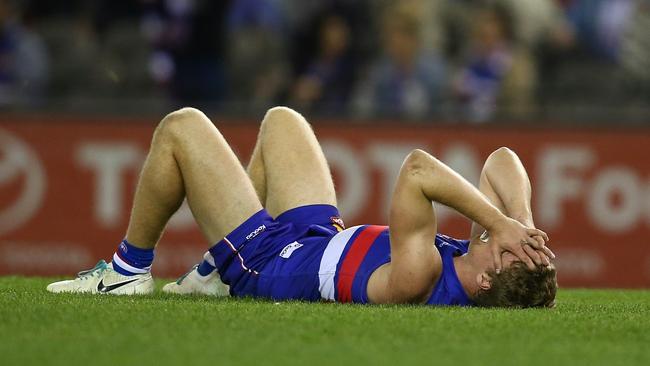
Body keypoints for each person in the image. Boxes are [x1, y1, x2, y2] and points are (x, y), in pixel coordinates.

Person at [47, 106, 557, 307]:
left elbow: (418, 169)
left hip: (274, 263)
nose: (503, 241)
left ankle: (126, 272)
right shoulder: (481, 261)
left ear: (487, 281)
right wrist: (523, 227)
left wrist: (497, 223)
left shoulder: (420, 275)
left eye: (510, 251)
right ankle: (211, 273)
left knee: (182, 128)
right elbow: (502, 160)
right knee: (282, 122)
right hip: (319, 240)